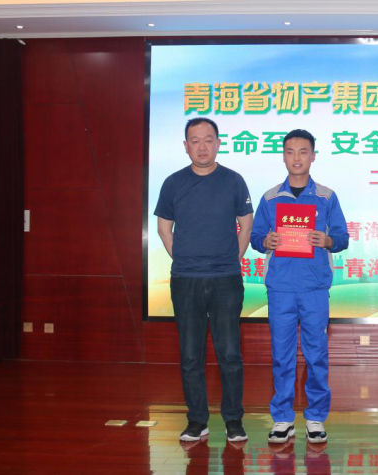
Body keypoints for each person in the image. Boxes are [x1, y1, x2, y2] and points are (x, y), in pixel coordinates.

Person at [155, 118, 254, 443]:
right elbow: (164, 229)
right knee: (190, 355)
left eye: (208, 140)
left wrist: (230, 259)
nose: (202, 146)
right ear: (186, 146)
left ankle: (233, 420)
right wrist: (184, 259)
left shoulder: (233, 180)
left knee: (230, 353)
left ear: (218, 143)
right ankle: (197, 420)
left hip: (226, 279)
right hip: (186, 280)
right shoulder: (173, 183)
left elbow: (246, 224)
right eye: (195, 140)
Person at [250, 129, 349, 444]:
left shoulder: (326, 197)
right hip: (280, 287)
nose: (297, 158)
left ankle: (316, 417)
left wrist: (327, 240)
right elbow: (255, 237)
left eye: (303, 151)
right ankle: (282, 418)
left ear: (313, 156)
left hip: (314, 287)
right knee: (282, 354)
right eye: (290, 151)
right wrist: (265, 240)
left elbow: (342, 237)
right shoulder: (270, 198)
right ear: (283, 155)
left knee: (316, 353)